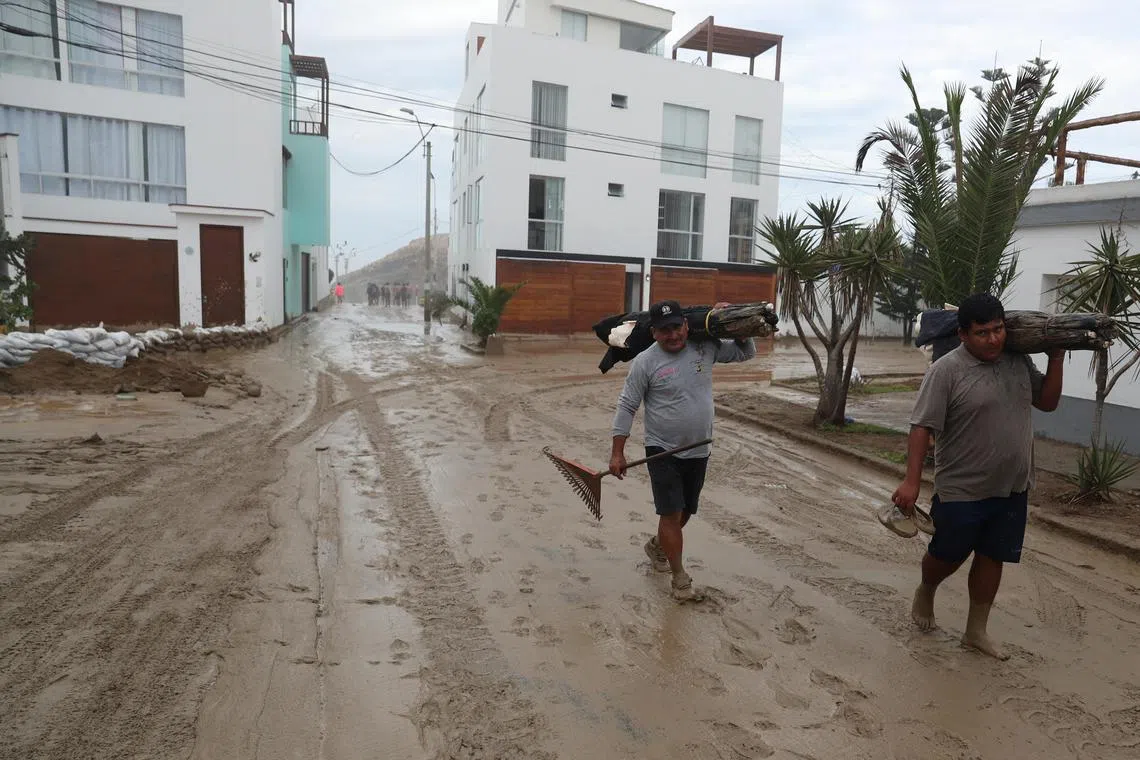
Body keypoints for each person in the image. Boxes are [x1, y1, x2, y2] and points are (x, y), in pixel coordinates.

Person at [892, 293, 1064, 659]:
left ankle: (975, 631)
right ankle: (926, 589)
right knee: (948, 554)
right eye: (983, 332)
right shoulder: (946, 371)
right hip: (961, 488)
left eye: (998, 329)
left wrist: (1057, 356)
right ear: (962, 335)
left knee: (992, 556)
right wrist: (911, 480)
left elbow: (1048, 403)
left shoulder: (1018, 361)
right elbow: (921, 426)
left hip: (1012, 486)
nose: (993, 339)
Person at [610, 299, 757, 602]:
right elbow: (627, 405)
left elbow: (746, 353)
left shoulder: (705, 347)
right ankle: (680, 579)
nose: (673, 335)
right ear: (654, 333)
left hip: (698, 448)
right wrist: (617, 452)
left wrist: (738, 327)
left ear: (686, 325)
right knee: (671, 511)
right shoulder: (645, 362)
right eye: (664, 330)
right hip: (662, 450)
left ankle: (657, 546)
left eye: (676, 327)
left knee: (685, 512)